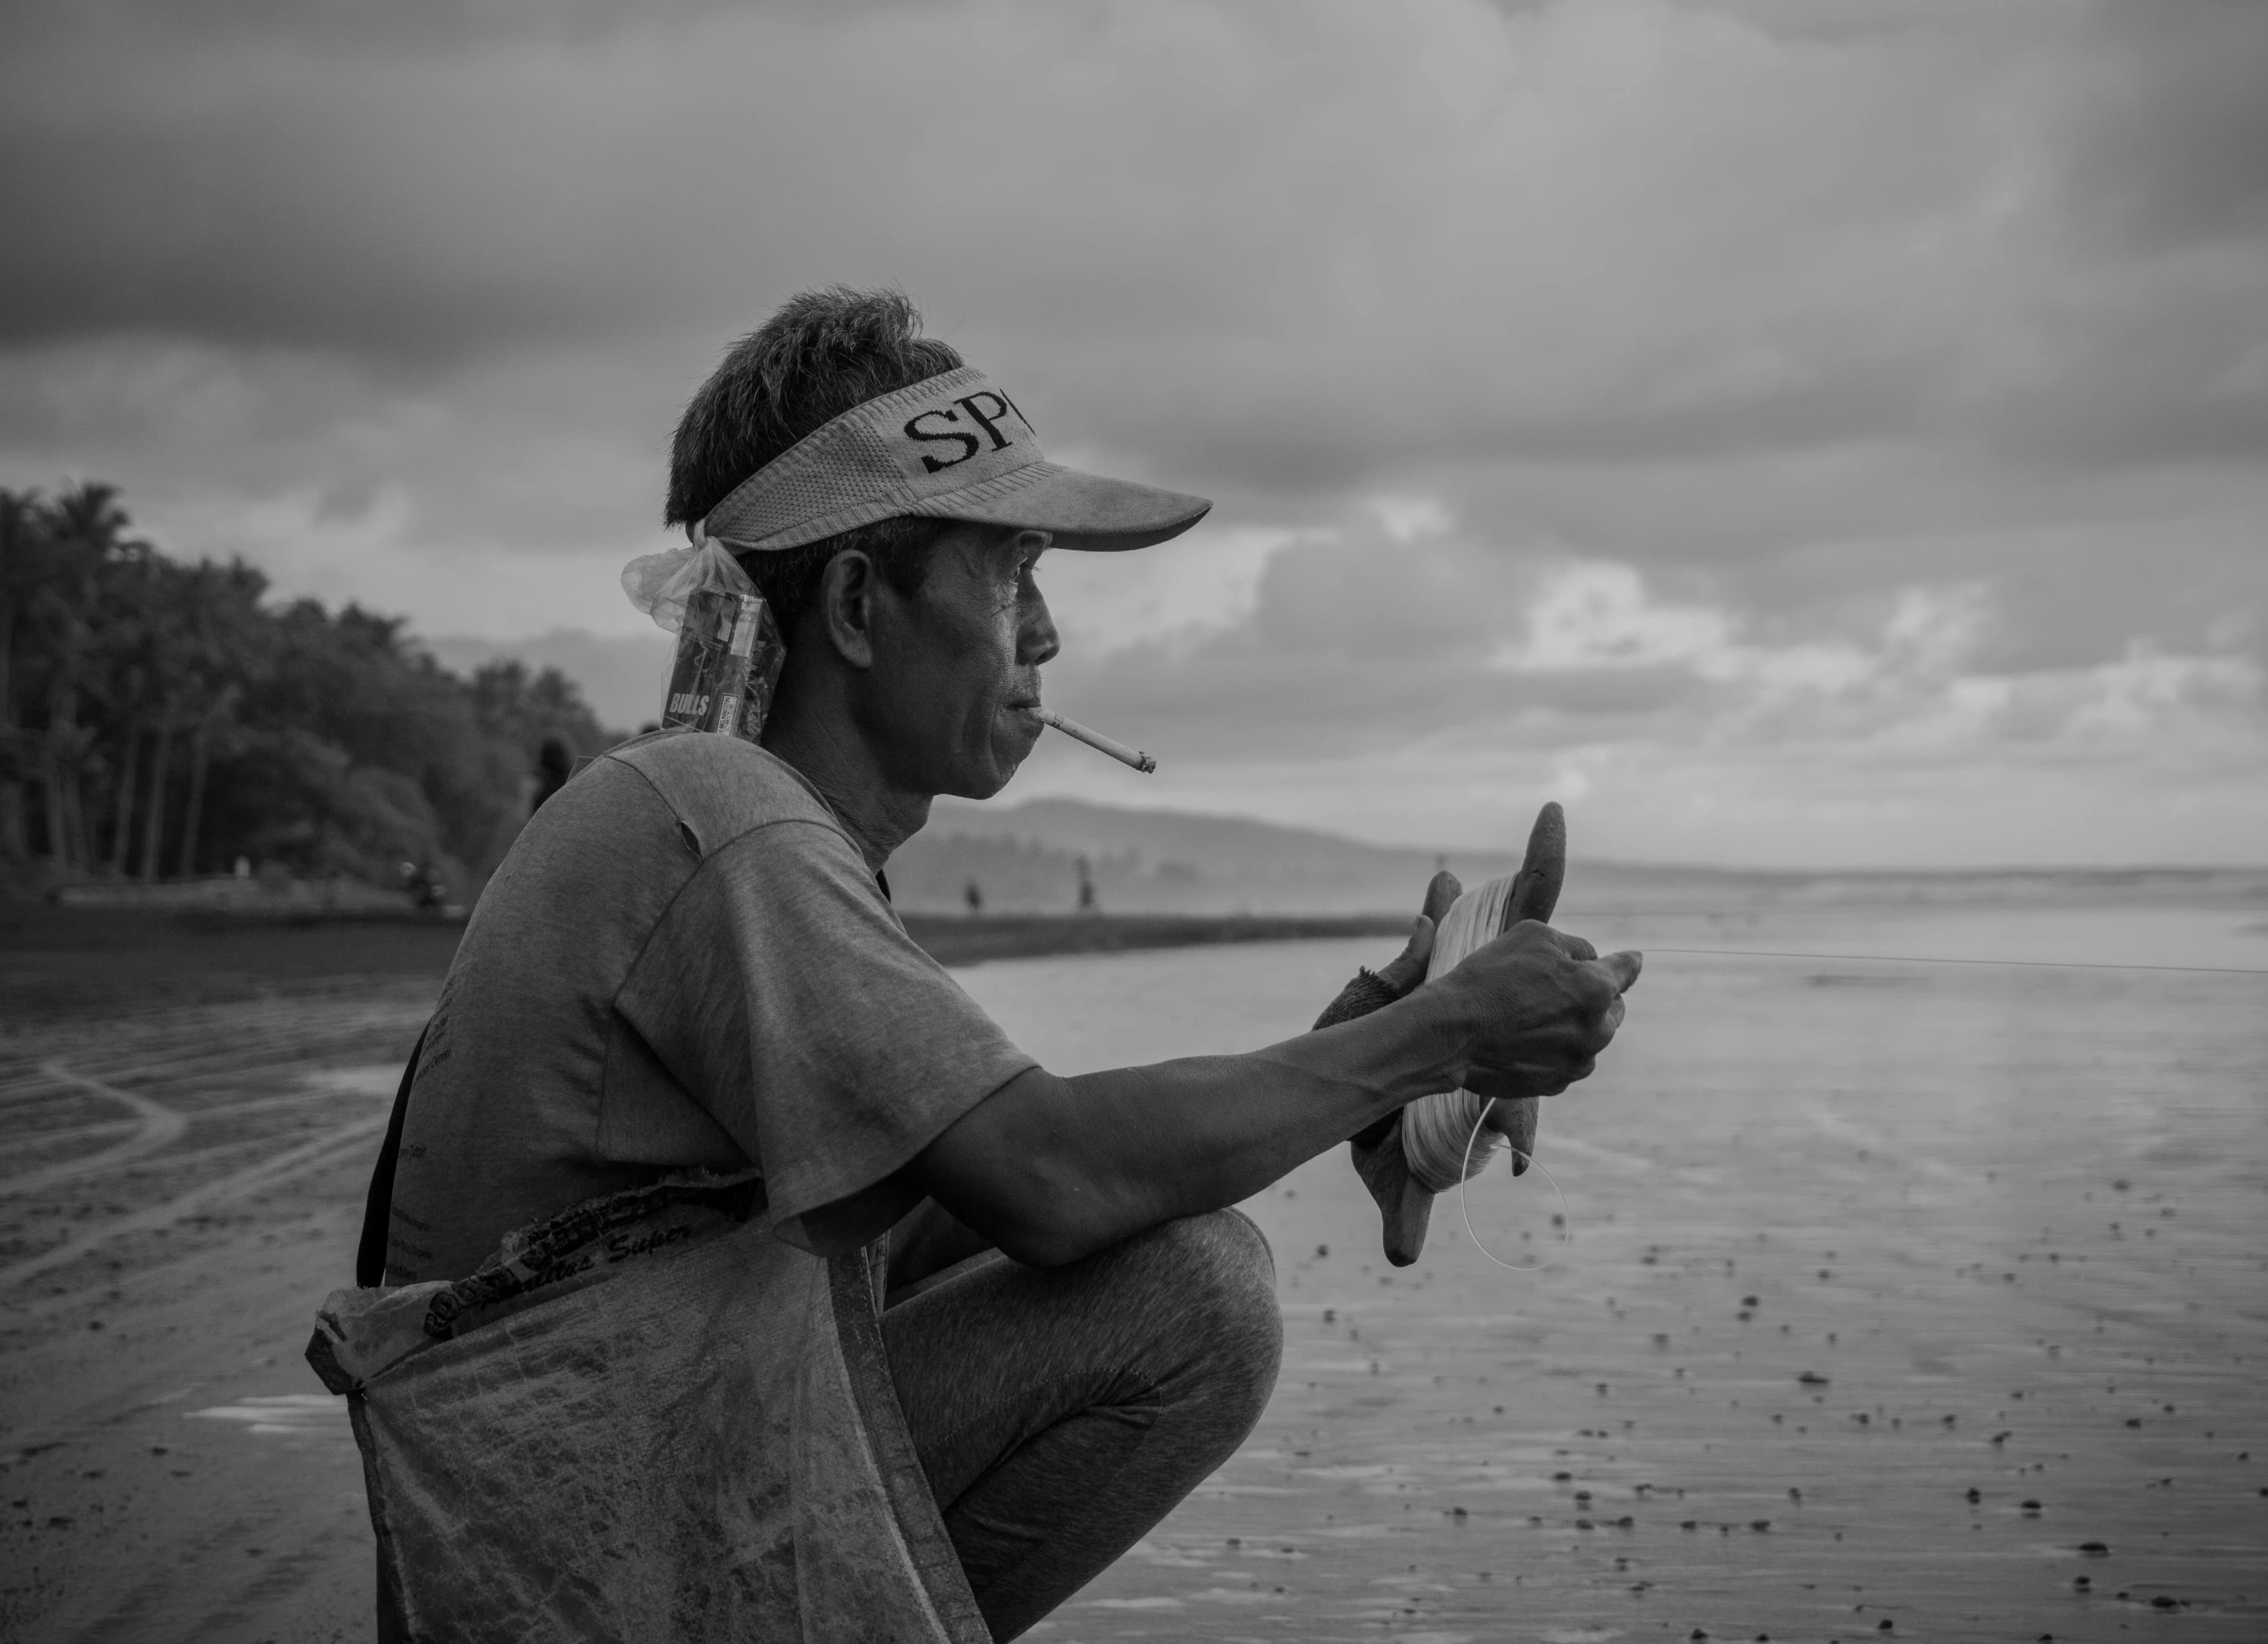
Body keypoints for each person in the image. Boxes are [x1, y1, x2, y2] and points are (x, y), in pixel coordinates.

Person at [351, 288, 1639, 1642]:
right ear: (856, 603)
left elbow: (939, 1205)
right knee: (1193, 1300)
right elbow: (1052, 1179)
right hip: (580, 1585)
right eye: (1012, 570)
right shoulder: (726, 822)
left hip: (592, 1544)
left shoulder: (725, 821)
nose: (1046, 636)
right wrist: (1434, 1045)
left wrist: (1356, 1063)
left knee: (1161, 1239)